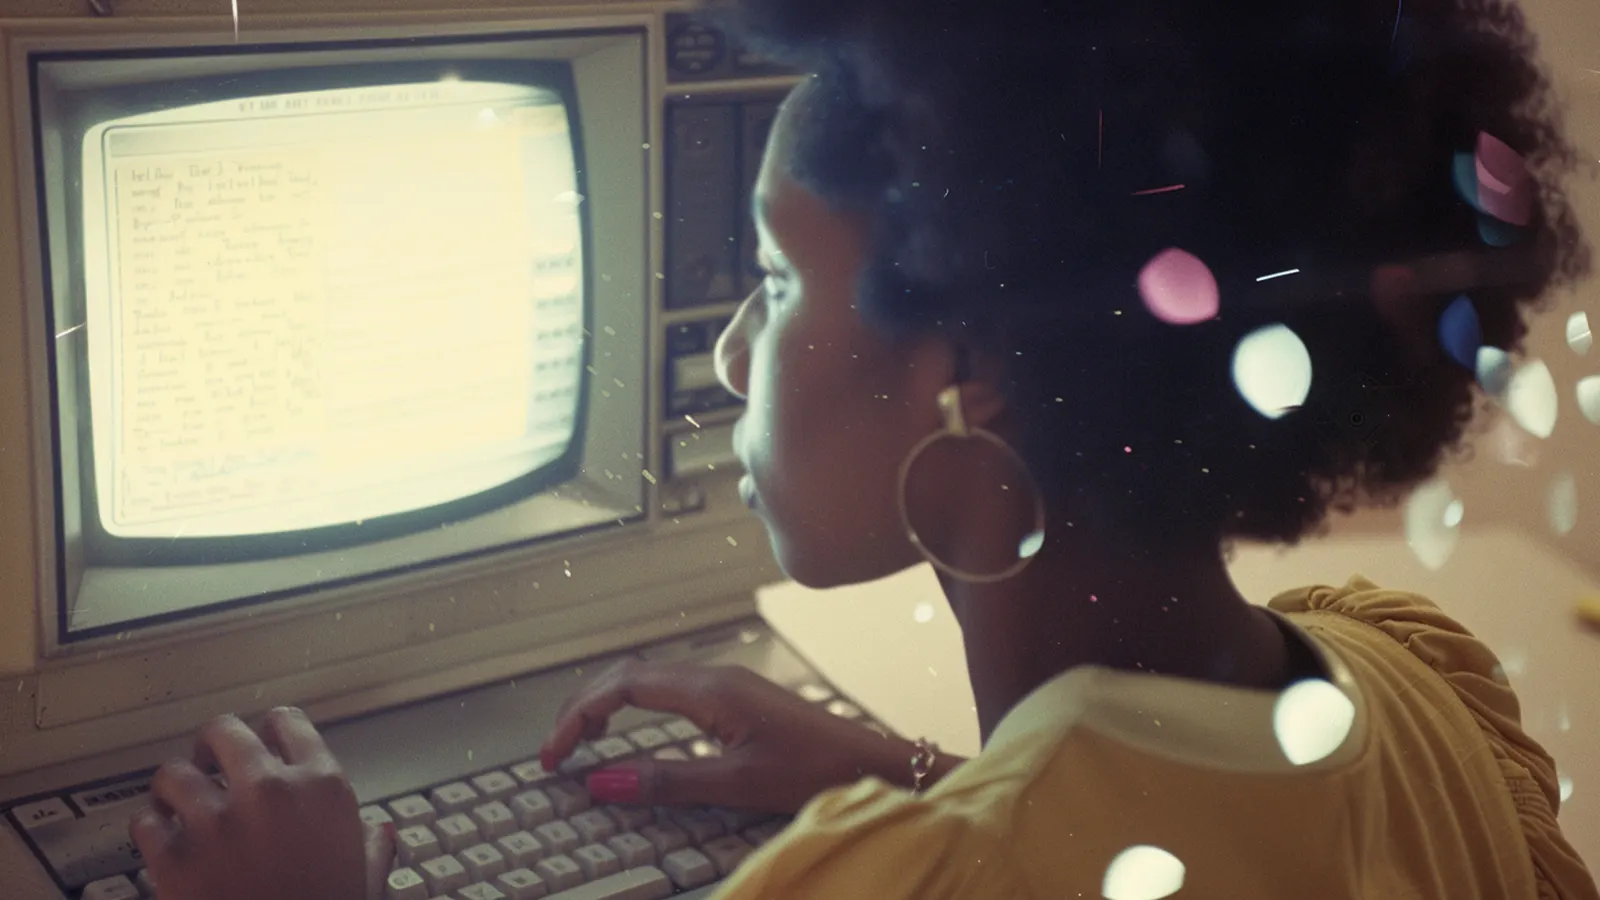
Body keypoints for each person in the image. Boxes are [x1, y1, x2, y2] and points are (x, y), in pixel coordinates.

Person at [127, 0, 1599, 897]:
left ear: (960, 368)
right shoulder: (1418, 689)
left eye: (774, 285)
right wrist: (923, 782)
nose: (724, 356)